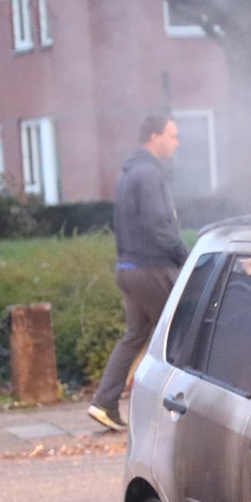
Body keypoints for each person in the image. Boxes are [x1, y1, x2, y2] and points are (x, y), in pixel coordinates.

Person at [87, 114, 187, 432]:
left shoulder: (131, 173)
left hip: (129, 269)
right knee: (180, 336)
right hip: (151, 269)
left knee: (136, 337)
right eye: (172, 136)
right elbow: (158, 226)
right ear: (154, 136)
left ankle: (104, 402)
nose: (177, 142)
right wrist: (187, 259)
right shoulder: (147, 174)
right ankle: (169, 413)